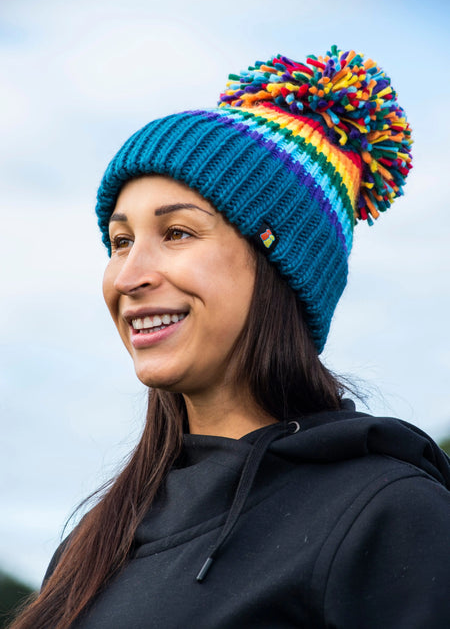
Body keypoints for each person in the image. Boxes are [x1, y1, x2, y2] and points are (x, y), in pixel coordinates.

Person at [11, 47, 450, 629]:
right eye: (120, 242)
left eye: (177, 233)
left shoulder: (392, 515)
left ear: (277, 267)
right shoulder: (97, 540)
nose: (128, 276)